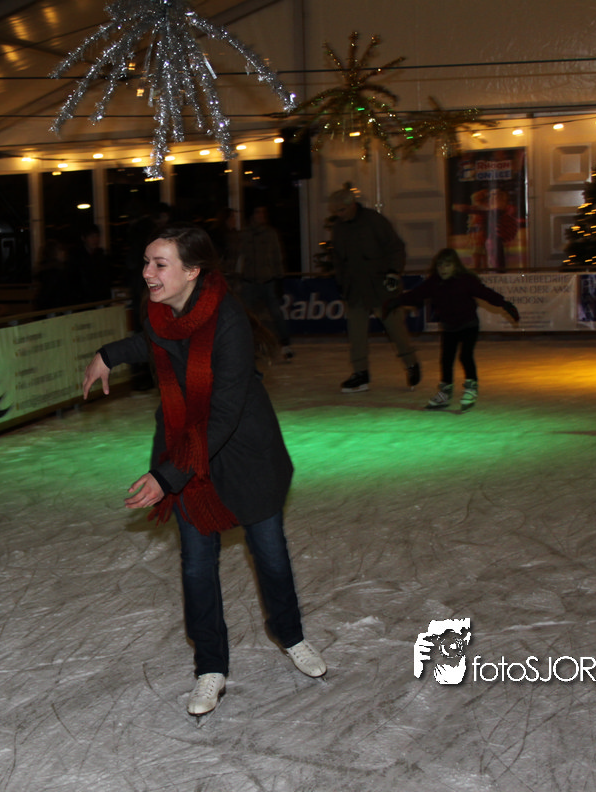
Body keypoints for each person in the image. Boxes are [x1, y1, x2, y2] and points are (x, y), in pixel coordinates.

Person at [81, 225, 327, 720]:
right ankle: (210, 665)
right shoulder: (159, 313)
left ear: (192, 271)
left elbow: (224, 416)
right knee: (196, 565)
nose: (147, 273)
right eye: (146, 262)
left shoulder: (228, 320)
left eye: (160, 264)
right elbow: (153, 344)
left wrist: (166, 477)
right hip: (186, 448)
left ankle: (291, 635)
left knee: (270, 554)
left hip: (244, 451)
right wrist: (108, 354)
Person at [386, 247, 519, 411]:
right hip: (449, 327)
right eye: (440, 265)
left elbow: (486, 293)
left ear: (455, 266)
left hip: (469, 325)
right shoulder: (434, 282)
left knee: (465, 355)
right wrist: (396, 301)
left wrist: (505, 304)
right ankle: (445, 393)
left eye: (447, 265)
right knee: (446, 359)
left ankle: (471, 388)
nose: (443, 269)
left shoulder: (466, 280)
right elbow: (416, 294)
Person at [327, 186, 420, 392]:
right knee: (356, 333)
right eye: (336, 211)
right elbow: (338, 259)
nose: (339, 215)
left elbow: (396, 247)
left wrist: (393, 272)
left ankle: (411, 363)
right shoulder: (339, 228)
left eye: (341, 210)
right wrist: (342, 283)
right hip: (355, 288)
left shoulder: (374, 221)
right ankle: (360, 372)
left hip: (380, 286)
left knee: (395, 329)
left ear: (352, 205)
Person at [237, 205, 294, 361]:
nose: (261, 216)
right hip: (249, 281)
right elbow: (239, 257)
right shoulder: (245, 234)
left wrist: (279, 278)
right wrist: (239, 276)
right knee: (247, 316)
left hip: (268, 280)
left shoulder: (271, 234)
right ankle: (249, 347)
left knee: (276, 313)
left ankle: (285, 345)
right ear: (252, 215)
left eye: (263, 213)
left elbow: (277, 256)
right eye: (258, 213)